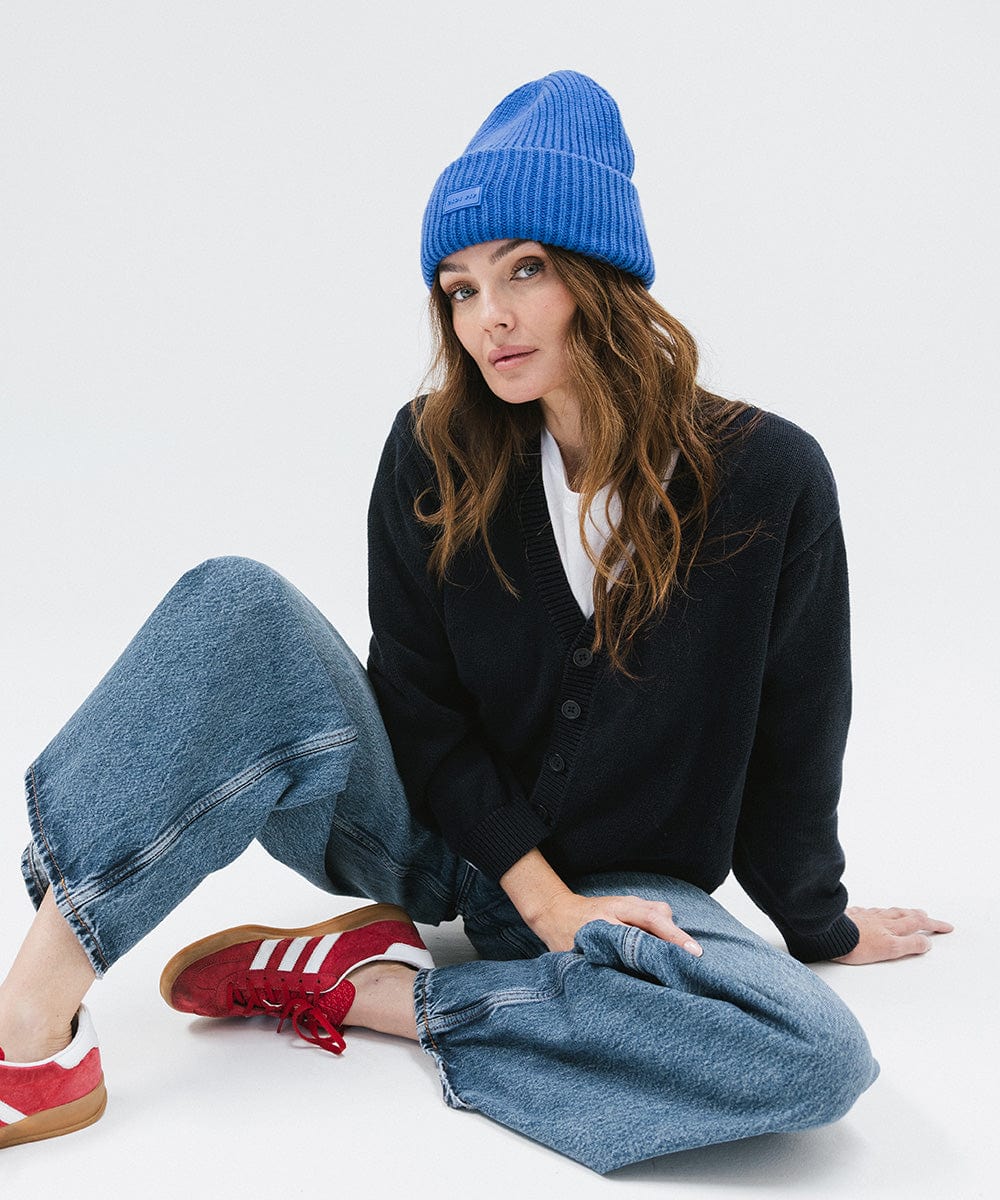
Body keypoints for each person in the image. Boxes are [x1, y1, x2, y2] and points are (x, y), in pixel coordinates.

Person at [0, 70, 951, 1171]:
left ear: (601, 274)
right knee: (236, 604)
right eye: (457, 288)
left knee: (814, 1058)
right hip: (418, 836)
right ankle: (32, 1029)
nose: (487, 316)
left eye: (524, 271)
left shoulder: (769, 476)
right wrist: (538, 905)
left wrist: (817, 922)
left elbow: (798, 727)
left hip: (629, 892)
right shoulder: (433, 447)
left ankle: (373, 993)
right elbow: (414, 699)